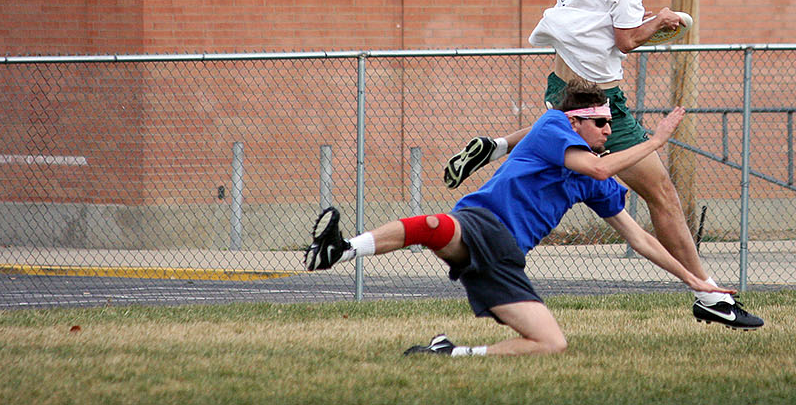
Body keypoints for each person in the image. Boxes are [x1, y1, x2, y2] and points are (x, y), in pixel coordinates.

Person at [443, 0, 763, 330]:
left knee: (550, 135)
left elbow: (596, 27)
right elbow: (626, 40)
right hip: (599, 98)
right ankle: (709, 294)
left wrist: (646, 24)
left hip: (563, 82)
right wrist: (663, 19)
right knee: (663, 194)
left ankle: (498, 144)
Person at [303, 81, 744, 359]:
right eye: (602, 123)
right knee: (436, 228)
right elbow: (599, 167)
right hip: (481, 220)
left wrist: (695, 281)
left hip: (505, 257)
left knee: (551, 344)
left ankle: (450, 354)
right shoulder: (555, 127)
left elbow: (641, 240)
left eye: (611, 123)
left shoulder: (597, 180)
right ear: (576, 121)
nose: (609, 131)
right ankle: (343, 248)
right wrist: (659, 139)